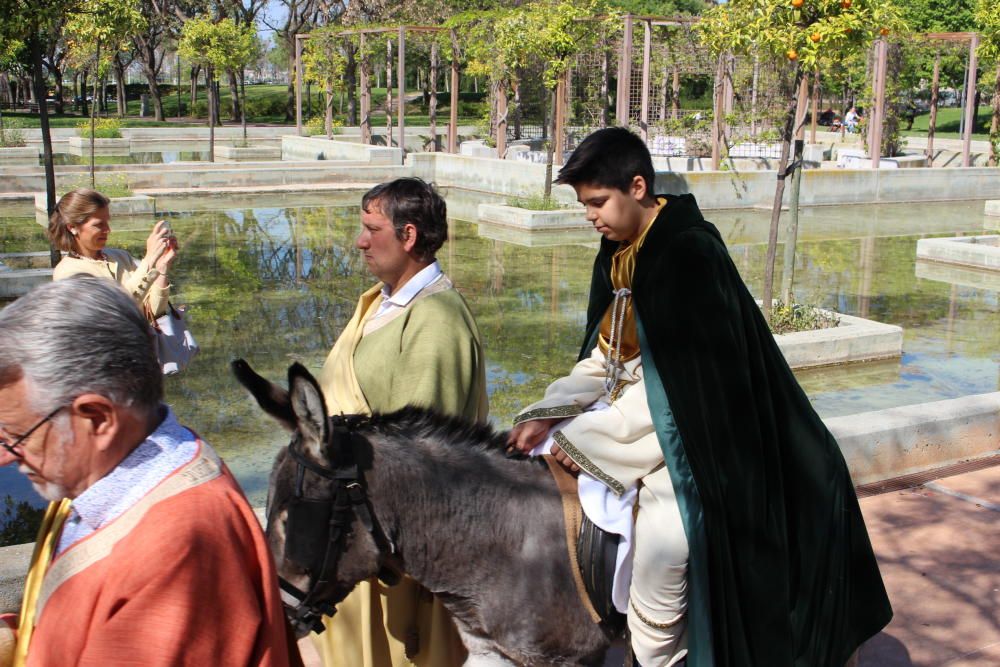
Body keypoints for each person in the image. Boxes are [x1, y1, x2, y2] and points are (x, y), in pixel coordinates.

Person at [508, 127, 892, 667]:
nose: (589, 215)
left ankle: (661, 655)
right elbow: (607, 357)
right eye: (583, 204)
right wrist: (549, 412)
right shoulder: (619, 249)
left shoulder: (688, 255)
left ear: (637, 186)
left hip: (714, 434)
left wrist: (589, 436)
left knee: (666, 542)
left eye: (597, 202)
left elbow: (686, 390)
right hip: (648, 419)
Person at [0, 276, 301, 667]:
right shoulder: (100, 478)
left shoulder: (176, 551)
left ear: (97, 419)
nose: (6, 456)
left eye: (15, 434)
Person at [311, 177, 488, 667]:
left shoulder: (435, 322)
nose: (360, 240)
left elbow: (421, 458)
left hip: (385, 540)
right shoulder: (385, 301)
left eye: (371, 229)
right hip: (353, 521)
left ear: (408, 236)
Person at [49, 188, 176, 318]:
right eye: (99, 225)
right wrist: (149, 261)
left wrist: (161, 268)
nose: (108, 230)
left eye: (107, 222)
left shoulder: (121, 257)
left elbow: (153, 314)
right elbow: (114, 312)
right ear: (73, 228)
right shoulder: (68, 272)